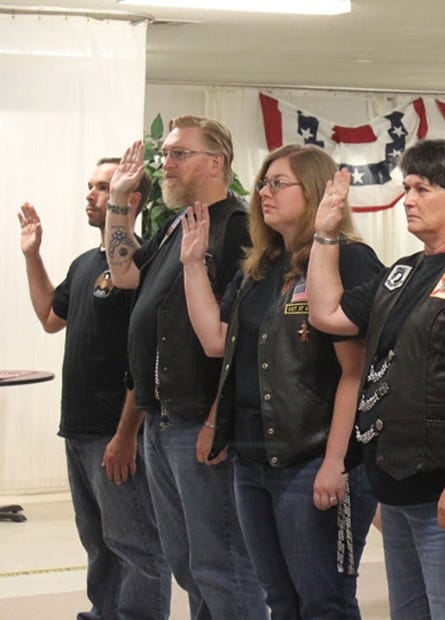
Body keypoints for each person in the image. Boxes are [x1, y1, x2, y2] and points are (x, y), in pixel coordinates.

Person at [308, 139, 445, 619]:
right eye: (407, 188)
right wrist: (324, 235)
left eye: (422, 188)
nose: (409, 199)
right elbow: (328, 313)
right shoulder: (401, 272)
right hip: (397, 481)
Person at [180, 144, 382, 618]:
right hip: (253, 458)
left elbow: (357, 371)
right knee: (279, 599)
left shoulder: (347, 260)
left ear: (312, 190)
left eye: (278, 183)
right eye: (262, 184)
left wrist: (337, 461)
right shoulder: (261, 266)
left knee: (324, 601)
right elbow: (215, 339)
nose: (263, 193)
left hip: (312, 459)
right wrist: (193, 264)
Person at [105, 116, 267, 619]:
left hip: (201, 417)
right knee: (187, 563)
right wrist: (117, 203)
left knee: (221, 563)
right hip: (163, 415)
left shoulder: (238, 226)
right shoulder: (177, 222)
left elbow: (245, 336)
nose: (166, 165)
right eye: (167, 155)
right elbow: (125, 273)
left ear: (215, 162)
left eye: (179, 154)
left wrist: (218, 416)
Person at [17, 159, 171, 619]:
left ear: (131, 199)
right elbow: (49, 317)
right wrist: (32, 255)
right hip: (80, 431)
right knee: (98, 542)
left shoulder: (141, 266)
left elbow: (144, 361)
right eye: (90, 186)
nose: (90, 194)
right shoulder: (85, 264)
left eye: (103, 187)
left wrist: (126, 437)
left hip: (116, 433)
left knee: (138, 547)